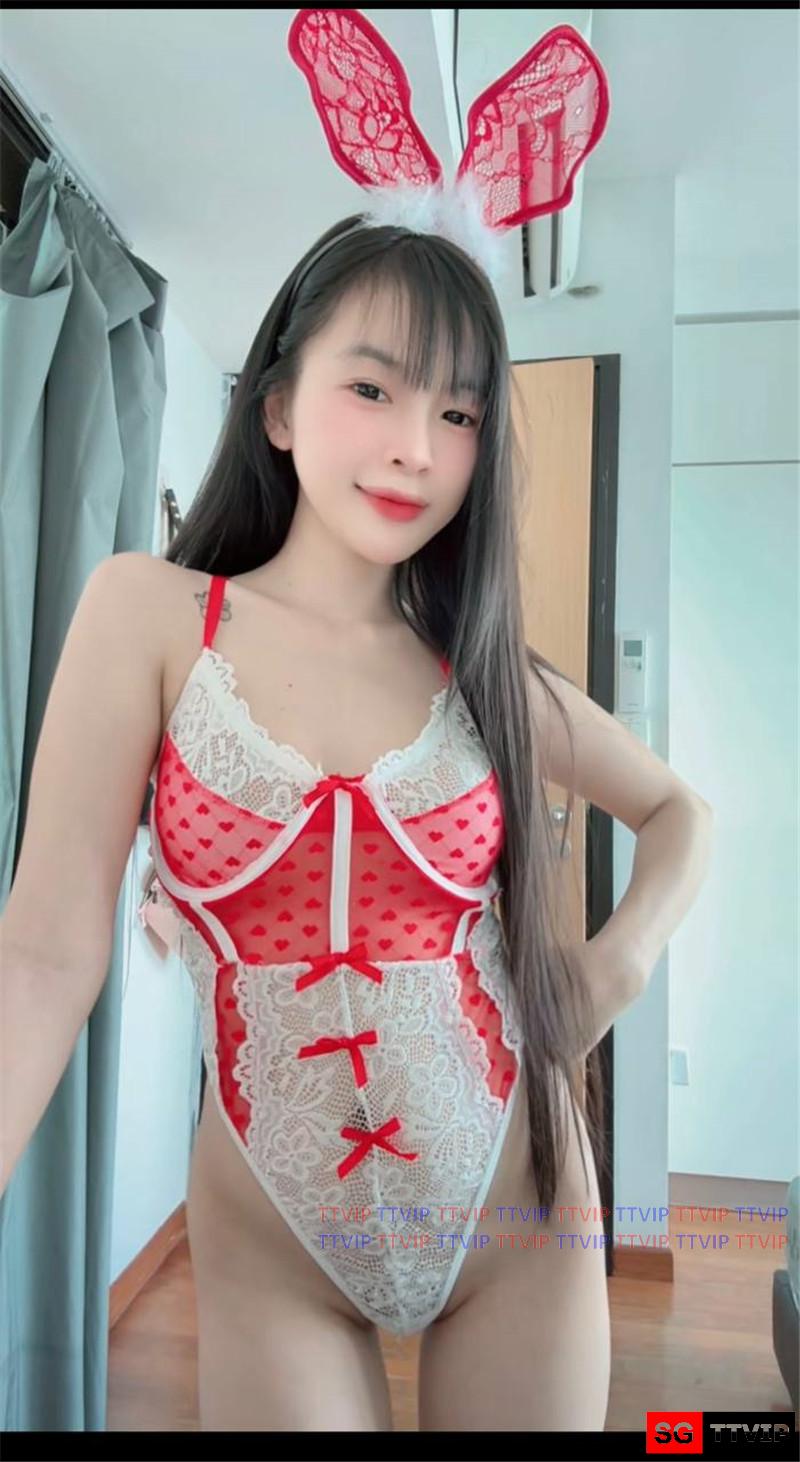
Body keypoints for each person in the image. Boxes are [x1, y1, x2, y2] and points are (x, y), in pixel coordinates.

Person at [2, 16, 714, 1435]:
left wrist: (614, 967)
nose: (415, 447)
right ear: (276, 406)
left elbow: (682, 811)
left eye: (459, 413)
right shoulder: (151, 614)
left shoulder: (485, 672)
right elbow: (45, 953)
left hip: (517, 1200)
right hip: (274, 1232)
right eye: (373, 388)